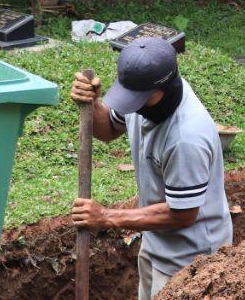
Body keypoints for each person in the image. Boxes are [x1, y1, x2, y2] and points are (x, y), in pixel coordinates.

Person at [69, 38, 232, 298]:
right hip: (155, 241)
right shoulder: (141, 95)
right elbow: (109, 129)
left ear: (161, 90)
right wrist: (94, 105)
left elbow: (183, 214)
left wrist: (105, 216)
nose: (130, 105)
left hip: (192, 260)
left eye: (136, 99)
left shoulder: (186, 138)